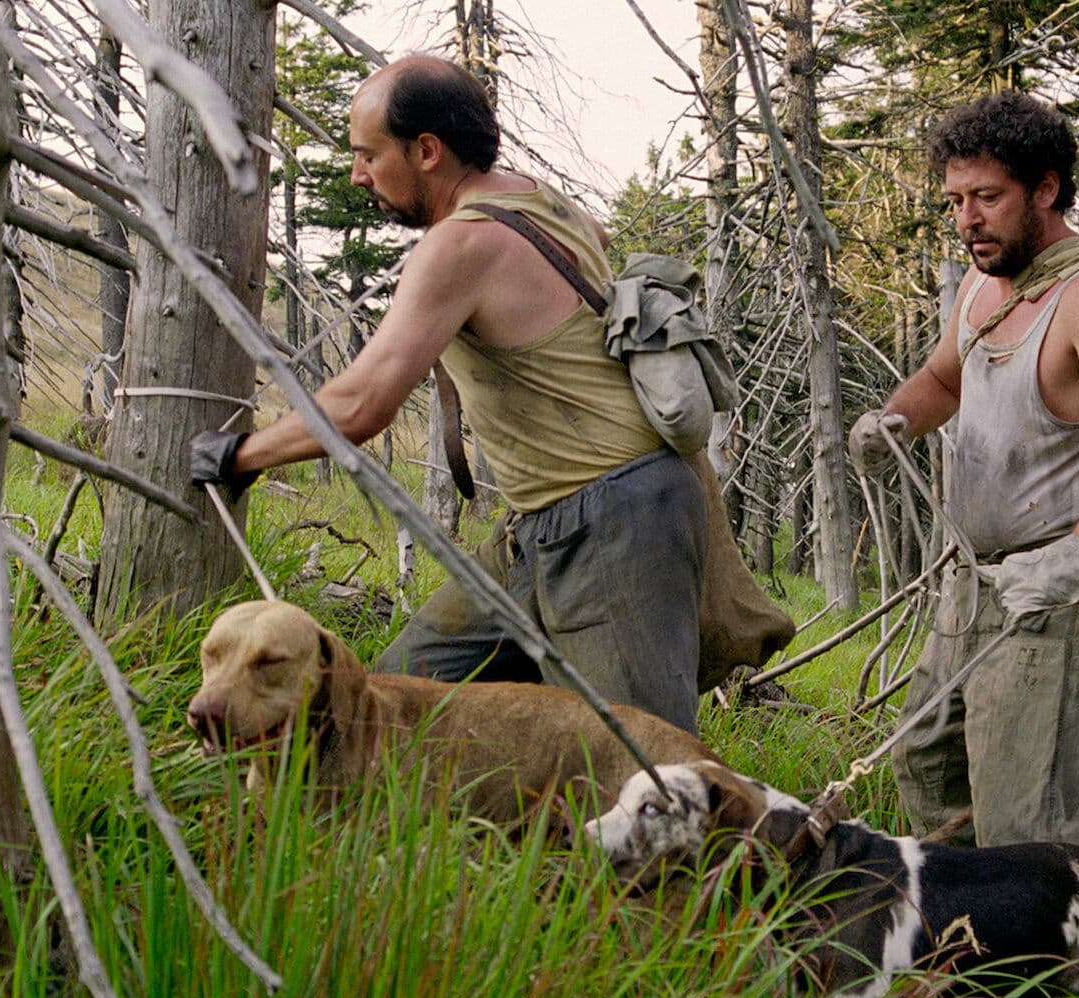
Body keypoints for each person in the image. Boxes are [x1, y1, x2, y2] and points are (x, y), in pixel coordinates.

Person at [188, 55, 705, 733]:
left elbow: (361, 406)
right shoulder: (538, 198)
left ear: (427, 151)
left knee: (639, 756)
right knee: (391, 707)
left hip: (616, 519)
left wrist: (238, 456)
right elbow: (593, 243)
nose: (358, 174)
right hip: (545, 521)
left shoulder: (462, 243)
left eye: (369, 155)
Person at [849, 92, 1079, 848]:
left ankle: (1052, 921)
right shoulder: (982, 284)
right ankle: (973, 909)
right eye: (955, 200)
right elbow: (944, 379)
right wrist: (895, 420)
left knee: (1023, 811)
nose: (967, 219)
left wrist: (1076, 558)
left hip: (1069, 586)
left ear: (1046, 189)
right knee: (928, 759)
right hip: (980, 575)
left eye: (987, 197)